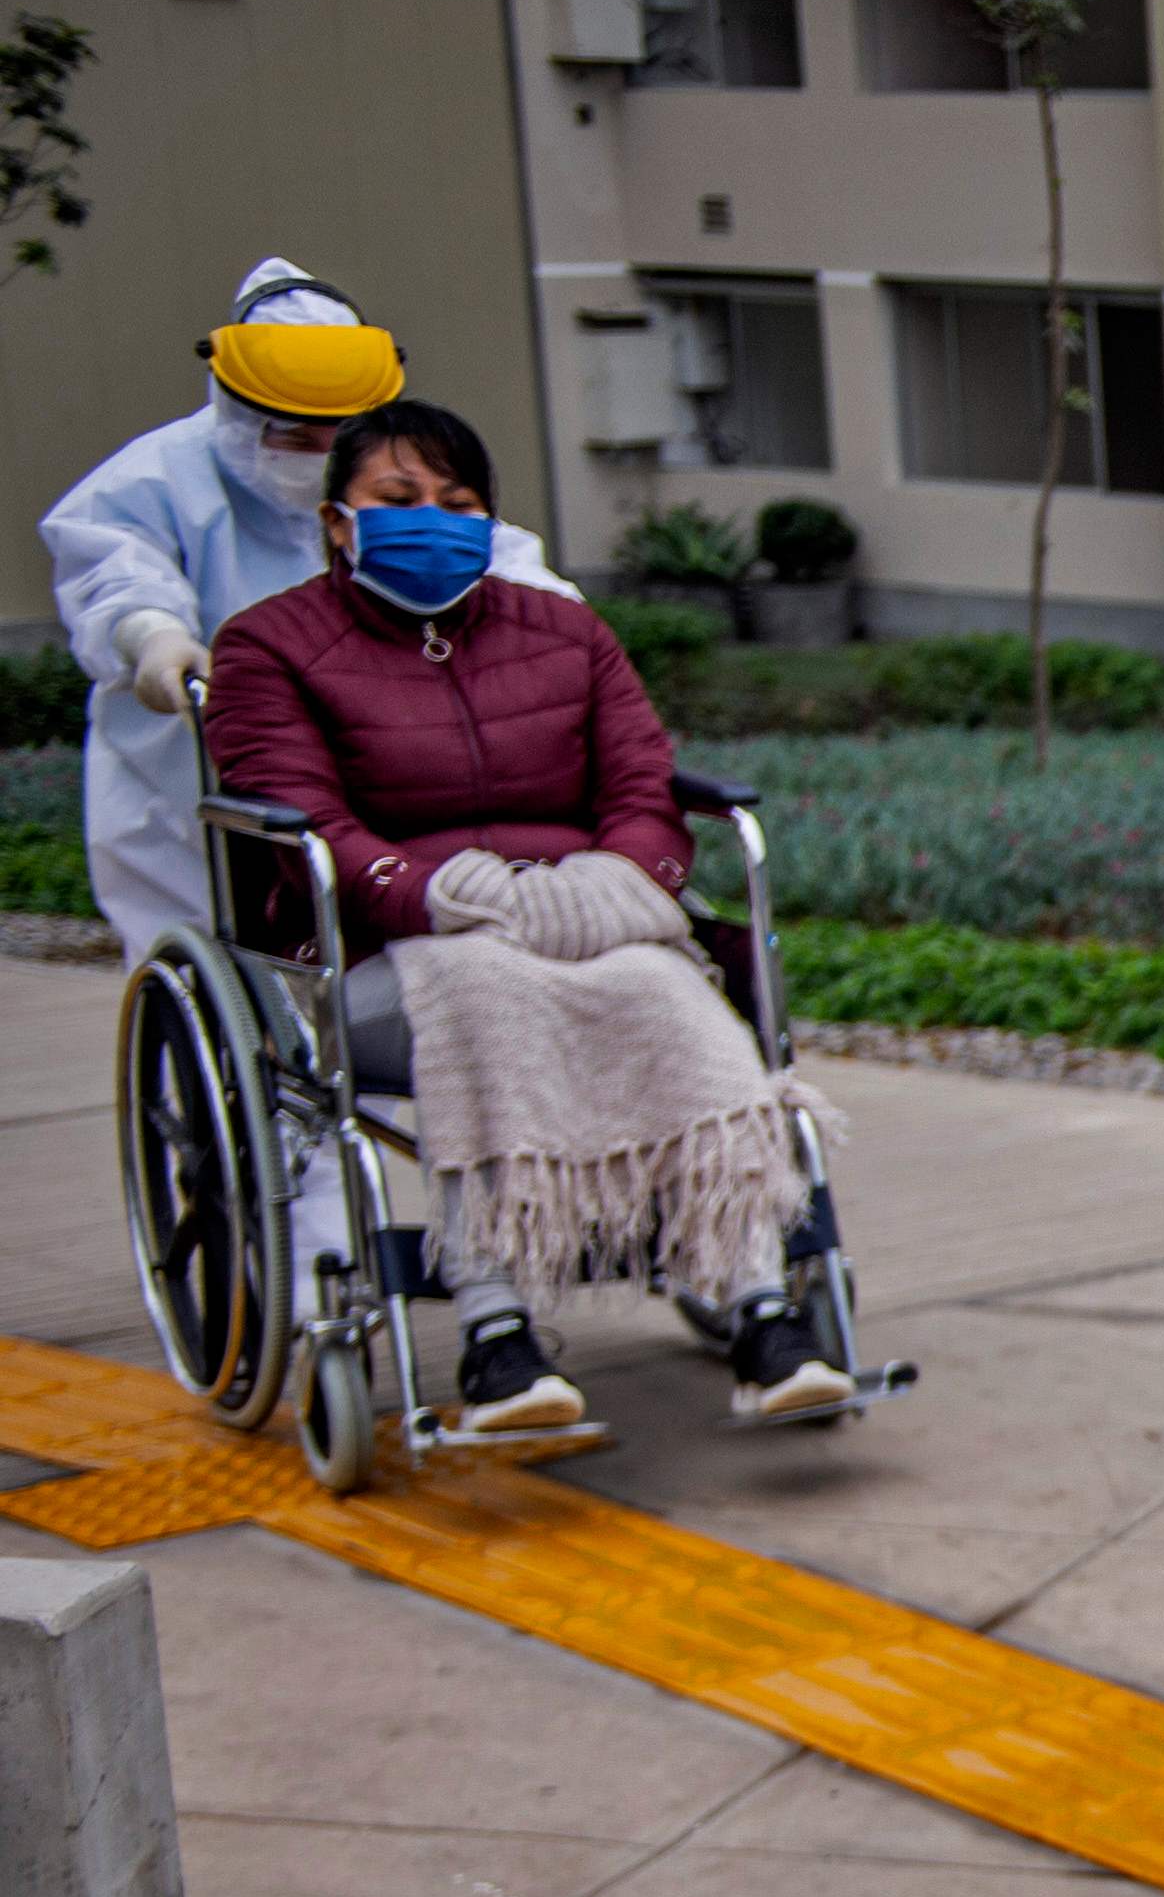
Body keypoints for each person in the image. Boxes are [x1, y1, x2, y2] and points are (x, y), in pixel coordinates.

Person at [198, 400, 850, 1433]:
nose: (431, 519)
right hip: (384, 950)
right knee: (485, 990)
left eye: (457, 504)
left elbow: (642, 781)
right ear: (337, 522)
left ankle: (761, 1305)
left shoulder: (565, 633)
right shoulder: (266, 648)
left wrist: (619, 883)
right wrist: (432, 892)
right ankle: (498, 1332)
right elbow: (303, 816)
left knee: (666, 987)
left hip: (585, 921)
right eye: (398, 499)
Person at [39, 261, 573, 967]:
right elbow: (115, 568)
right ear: (237, 409)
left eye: (338, 434)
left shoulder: (392, 475)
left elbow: (490, 553)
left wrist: (559, 623)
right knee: (226, 952)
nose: (319, 456)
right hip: (197, 782)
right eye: (293, 438)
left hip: (392, 763)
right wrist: (151, 634)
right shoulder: (156, 480)